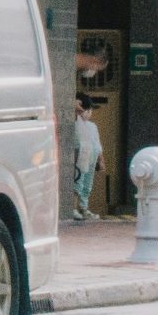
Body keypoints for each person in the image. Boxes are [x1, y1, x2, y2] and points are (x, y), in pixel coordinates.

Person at [70, 95, 103, 223]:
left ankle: (84, 207)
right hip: (80, 156)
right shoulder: (75, 121)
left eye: (90, 110)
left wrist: (101, 159)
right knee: (78, 181)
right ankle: (73, 208)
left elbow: (98, 144)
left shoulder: (92, 126)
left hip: (92, 156)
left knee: (87, 184)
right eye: (86, 110)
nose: (88, 113)